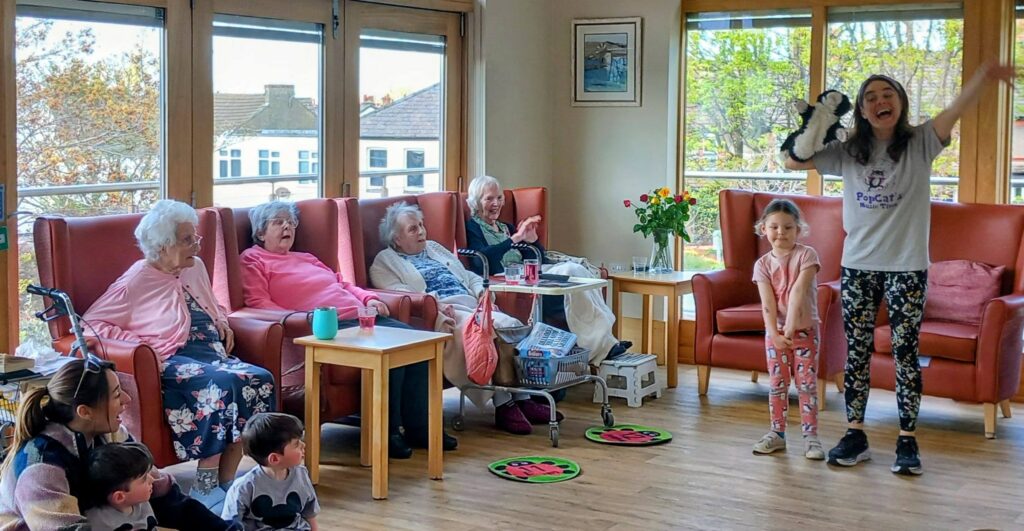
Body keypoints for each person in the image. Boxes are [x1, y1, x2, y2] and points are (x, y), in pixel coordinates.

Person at [784, 62, 1019, 475]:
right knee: (857, 353)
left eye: (887, 94)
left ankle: (907, 440)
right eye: (870, 97)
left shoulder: (922, 142)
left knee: (906, 354)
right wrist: (817, 124)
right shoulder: (848, 151)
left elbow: (956, 108)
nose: (879, 101)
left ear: (900, 103)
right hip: (857, 267)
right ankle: (855, 433)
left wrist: (983, 78)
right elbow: (793, 161)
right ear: (861, 109)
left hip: (907, 268)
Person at [83, 199, 276, 508]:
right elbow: (92, 324)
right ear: (163, 246)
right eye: (187, 240)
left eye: (195, 237)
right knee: (221, 383)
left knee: (258, 379)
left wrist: (222, 322)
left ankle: (226, 482)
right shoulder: (137, 279)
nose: (196, 245)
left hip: (211, 353)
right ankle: (204, 485)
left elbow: (212, 304)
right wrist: (141, 346)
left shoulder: (194, 267)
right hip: (174, 359)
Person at [240, 201, 456, 458]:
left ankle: (421, 428)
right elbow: (259, 304)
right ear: (261, 233)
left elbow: (343, 284)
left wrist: (368, 299)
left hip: (360, 317)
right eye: (279, 222)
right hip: (327, 327)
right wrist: (303, 320)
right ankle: (387, 435)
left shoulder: (306, 257)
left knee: (418, 344)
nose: (287, 227)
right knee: (390, 355)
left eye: (291, 222)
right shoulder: (253, 259)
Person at [370, 202, 564, 435]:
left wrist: (483, 291)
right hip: (447, 312)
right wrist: (436, 304)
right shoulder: (384, 261)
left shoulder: (433, 247)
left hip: (473, 304)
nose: (422, 231)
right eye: (413, 229)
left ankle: (522, 398)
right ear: (397, 238)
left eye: (421, 225)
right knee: (497, 328)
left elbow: (468, 276)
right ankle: (505, 405)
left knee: (514, 327)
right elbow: (400, 294)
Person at [0, 358, 236, 530]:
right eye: (116, 395)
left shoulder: (110, 434)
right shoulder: (40, 466)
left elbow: (161, 492)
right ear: (85, 412)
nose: (127, 399)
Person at [464, 175, 631, 365]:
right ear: (476, 202)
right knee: (572, 270)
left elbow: (538, 259)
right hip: (505, 279)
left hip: (528, 275)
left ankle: (604, 343)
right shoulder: (473, 227)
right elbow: (482, 260)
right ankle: (601, 347)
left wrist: (532, 240)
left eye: (499, 198)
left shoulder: (505, 227)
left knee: (577, 272)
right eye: (489, 199)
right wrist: (515, 239)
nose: (496, 203)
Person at [749, 199, 823, 461]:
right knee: (778, 384)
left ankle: (810, 437)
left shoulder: (807, 255)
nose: (781, 232)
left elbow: (798, 293)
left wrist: (789, 332)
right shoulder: (762, 265)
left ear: (798, 229)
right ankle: (777, 434)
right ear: (763, 229)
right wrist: (775, 334)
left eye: (788, 227)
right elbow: (767, 304)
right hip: (776, 335)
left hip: (803, 333)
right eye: (774, 227)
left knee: (806, 386)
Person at [222, 413, 319, 530]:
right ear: (274, 459)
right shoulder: (244, 487)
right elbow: (229, 525)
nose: (304, 445)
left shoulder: (301, 474)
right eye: (296, 444)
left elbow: (309, 513)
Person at [85, 442, 159, 531]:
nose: (152, 479)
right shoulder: (99, 523)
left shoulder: (140, 501)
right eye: (144, 478)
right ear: (119, 497)